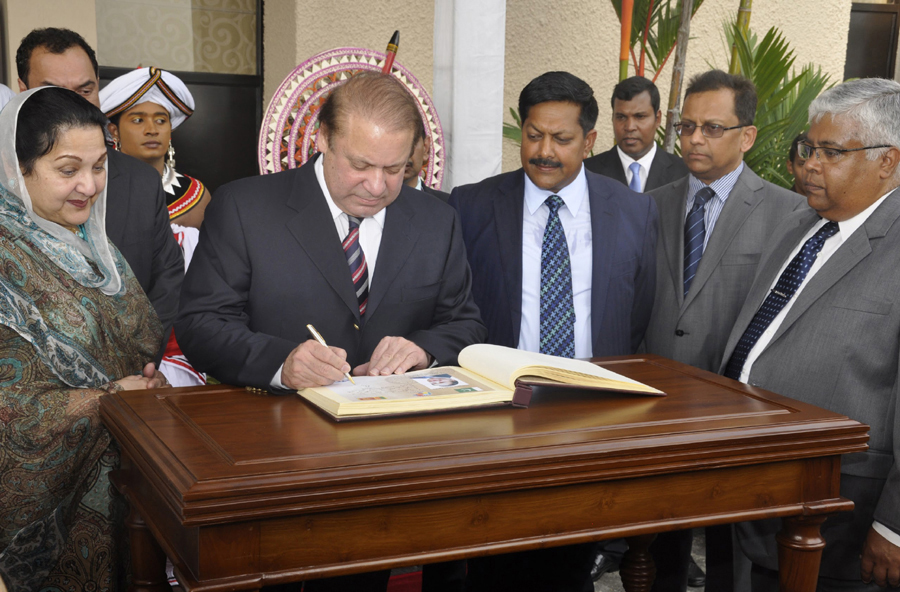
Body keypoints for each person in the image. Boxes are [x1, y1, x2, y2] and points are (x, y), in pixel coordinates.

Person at [175, 71, 486, 592]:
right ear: (321, 139)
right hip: (272, 465)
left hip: (390, 465)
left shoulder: (437, 219)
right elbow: (201, 324)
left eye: (396, 168)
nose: (378, 185)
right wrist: (281, 363)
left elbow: (465, 321)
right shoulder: (246, 207)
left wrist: (423, 349)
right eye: (361, 164)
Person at [449, 70, 658, 592]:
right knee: (493, 560)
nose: (544, 151)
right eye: (533, 135)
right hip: (497, 413)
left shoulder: (634, 210)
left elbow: (639, 312)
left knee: (570, 556)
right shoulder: (471, 205)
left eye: (561, 139)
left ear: (589, 140)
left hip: (590, 411)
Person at [721, 77, 900, 592]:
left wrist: (895, 523)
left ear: (887, 161)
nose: (809, 164)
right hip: (767, 488)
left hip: (847, 512)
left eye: (831, 152)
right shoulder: (801, 224)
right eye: (808, 148)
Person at [0, 87, 169, 592]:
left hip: (121, 484)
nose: (90, 186)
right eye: (68, 169)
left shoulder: (92, 243)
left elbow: (132, 342)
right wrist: (108, 401)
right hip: (42, 507)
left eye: (99, 167)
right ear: (18, 168)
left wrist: (145, 382)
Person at [641, 69, 804, 592]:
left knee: (731, 552)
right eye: (687, 126)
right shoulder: (652, 203)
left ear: (747, 136)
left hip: (738, 408)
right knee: (657, 539)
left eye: (712, 128)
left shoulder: (789, 213)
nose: (694, 139)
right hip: (655, 403)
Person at [16, 28, 183, 355]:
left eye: (85, 89)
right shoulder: (8, 182)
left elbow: (167, 283)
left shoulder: (141, 181)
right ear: (22, 90)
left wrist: (139, 362)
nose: (73, 104)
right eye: (52, 90)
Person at [100, 66, 212, 386]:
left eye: (160, 120)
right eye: (138, 120)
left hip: (188, 338)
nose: (152, 129)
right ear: (114, 131)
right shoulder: (95, 195)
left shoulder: (197, 195)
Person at [583, 76, 688, 192]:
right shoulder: (587, 172)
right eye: (621, 117)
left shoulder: (684, 173)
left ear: (657, 119)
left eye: (640, 117)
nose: (630, 127)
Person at [403, 120, 449, 201]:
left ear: (426, 148)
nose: (404, 153)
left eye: (412, 142)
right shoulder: (373, 207)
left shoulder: (448, 207)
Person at [786, 132, 810, 197]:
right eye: (802, 164)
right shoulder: (778, 205)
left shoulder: (837, 205)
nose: (811, 170)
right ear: (790, 167)